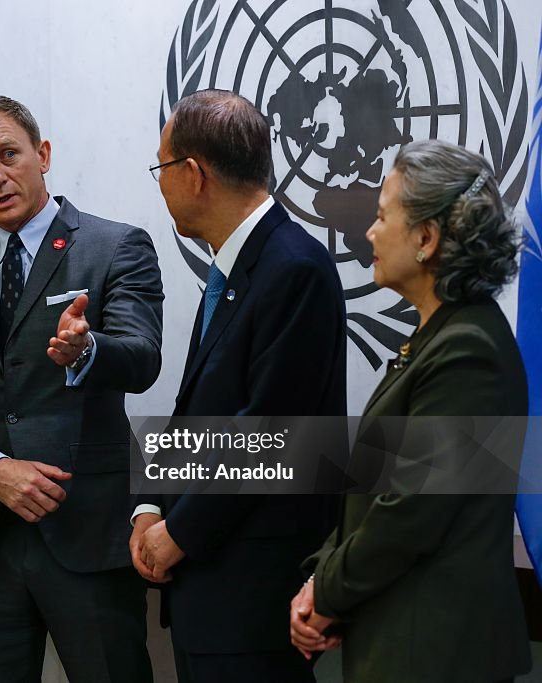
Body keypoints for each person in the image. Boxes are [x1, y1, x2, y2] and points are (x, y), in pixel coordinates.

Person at [0, 95, 163, 683]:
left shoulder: (114, 246)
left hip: (86, 533)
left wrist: (88, 349)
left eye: (8, 155)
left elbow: (142, 357)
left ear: (42, 155)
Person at [289, 140, 532, 683]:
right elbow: (373, 489)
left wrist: (326, 592)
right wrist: (319, 581)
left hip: (440, 654)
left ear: (426, 238)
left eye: (381, 216)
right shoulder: (438, 336)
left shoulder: (469, 351)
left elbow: (410, 512)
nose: (370, 233)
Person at [131, 90, 346, 683]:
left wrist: (181, 531)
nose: (160, 183)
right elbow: (201, 413)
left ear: (193, 174)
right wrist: (150, 505)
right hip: (209, 591)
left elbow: (272, 433)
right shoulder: (237, 268)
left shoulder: (291, 267)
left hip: (250, 594)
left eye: (161, 167)